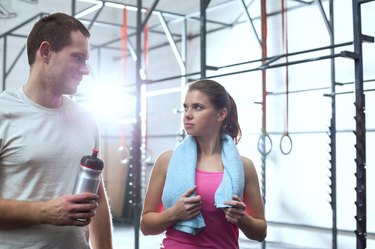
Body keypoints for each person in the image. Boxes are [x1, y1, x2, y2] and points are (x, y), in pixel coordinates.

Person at [0, 12, 113, 249]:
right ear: (46, 52)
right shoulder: (3, 112)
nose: (86, 70)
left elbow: (97, 198)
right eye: (78, 58)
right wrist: (44, 212)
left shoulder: (86, 119)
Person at [140, 79, 267, 248]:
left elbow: (260, 232)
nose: (187, 114)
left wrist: (241, 218)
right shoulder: (167, 161)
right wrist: (173, 214)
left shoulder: (244, 167)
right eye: (186, 107)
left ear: (221, 114)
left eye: (197, 107)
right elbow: (146, 226)